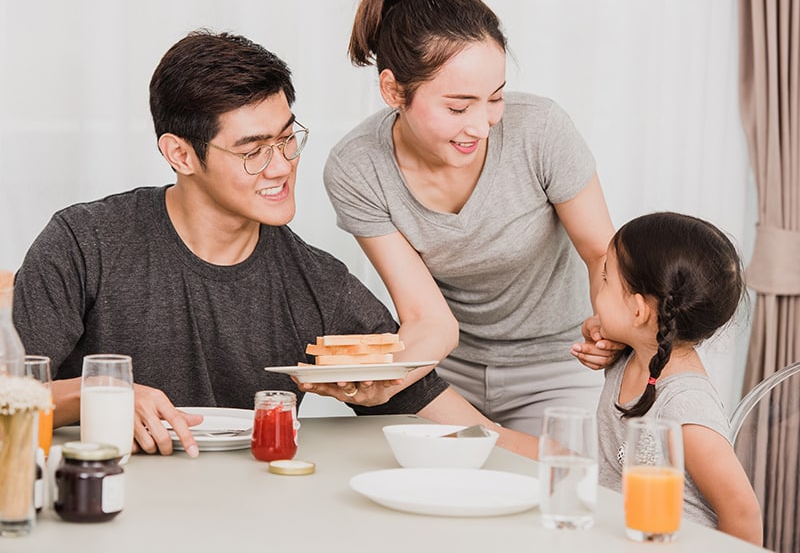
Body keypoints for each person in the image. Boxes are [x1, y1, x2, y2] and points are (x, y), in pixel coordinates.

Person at [12, 30, 537, 459]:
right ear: (181, 154)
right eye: (253, 150)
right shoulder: (84, 243)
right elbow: (8, 399)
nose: (282, 166)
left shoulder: (317, 283)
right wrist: (97, 395)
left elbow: (457, 425)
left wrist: (574, 459)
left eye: (287, 138)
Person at [323, 0, 620, 435]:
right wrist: (384, 380)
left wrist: (610, 325)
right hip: (447, 370)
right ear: (394, 90)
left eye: (496, 97)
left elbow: (601, 252)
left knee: (562, 491)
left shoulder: (540, 130)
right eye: (458, 106)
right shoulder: (357, 167)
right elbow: (425, 318)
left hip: (559, 364)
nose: (481, 126)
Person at [594, 212, 762, 545]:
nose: (597, 288)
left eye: (604, 280)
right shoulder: (631, 358)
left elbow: (743, 514)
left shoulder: (685, 407)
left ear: (638, 312)